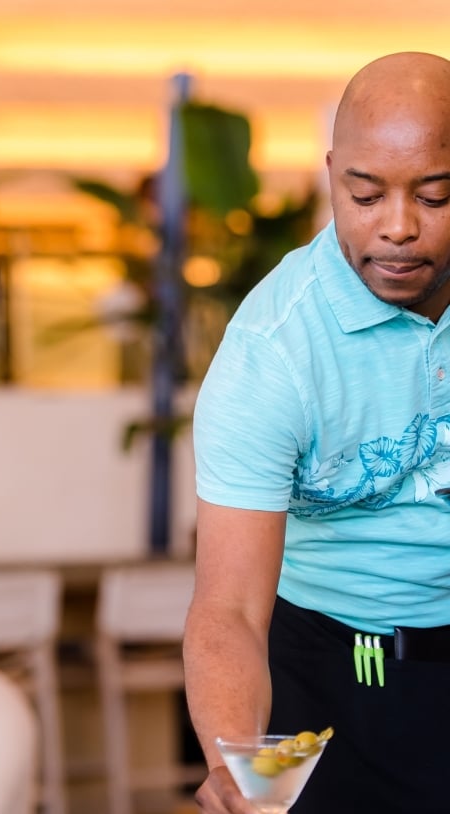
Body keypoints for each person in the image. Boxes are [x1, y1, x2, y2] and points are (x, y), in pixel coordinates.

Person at [183, 51, 450, 814]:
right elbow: (228, 608)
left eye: (435, 196)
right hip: (329, 671)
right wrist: (236, 756)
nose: (396, 228)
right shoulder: (272, 351)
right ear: (332, 173)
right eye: (363, 195)